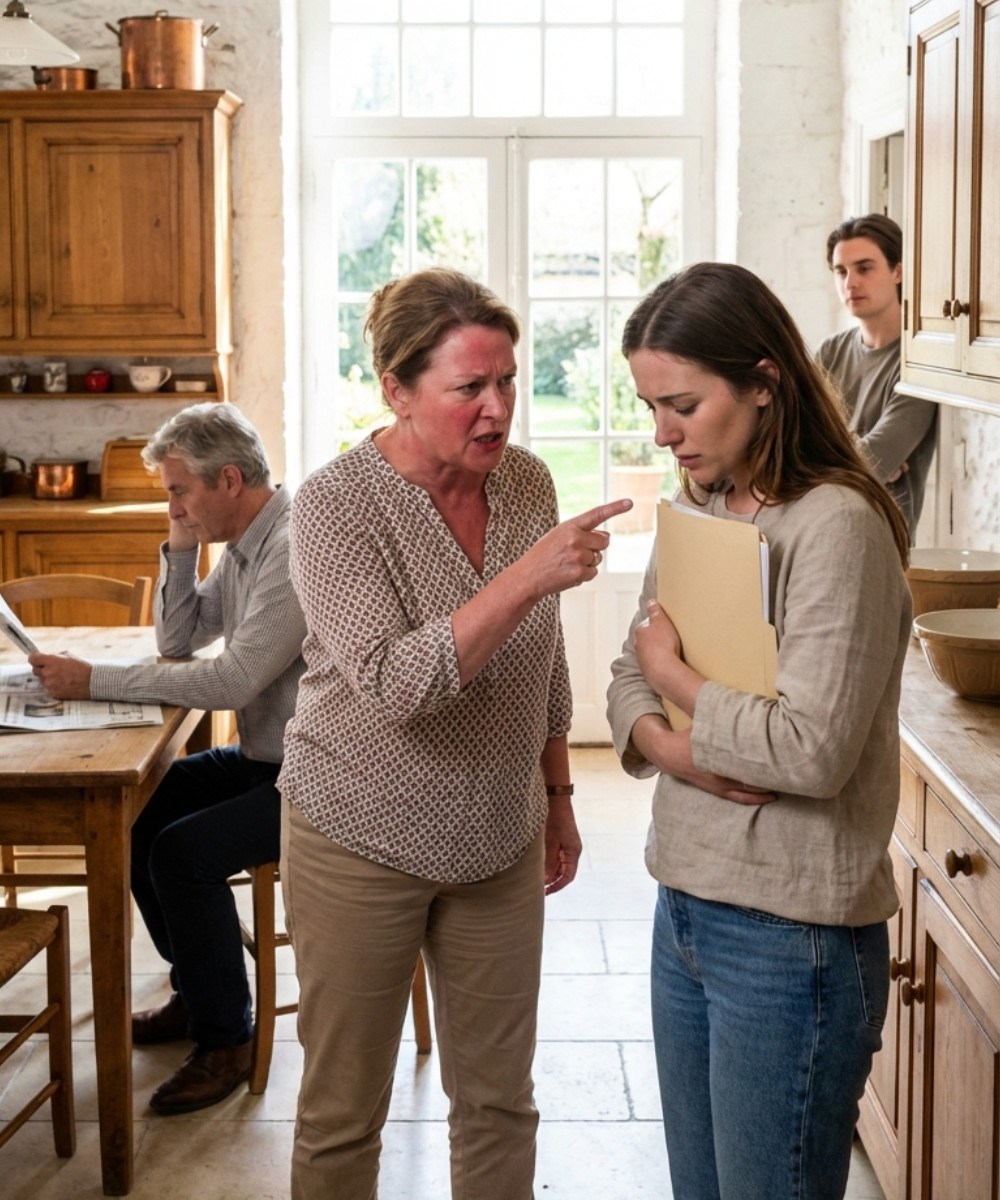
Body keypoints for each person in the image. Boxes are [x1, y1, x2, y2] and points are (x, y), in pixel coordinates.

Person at [278, 267, 631, 1200]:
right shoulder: (335, 505)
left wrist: (557, 795)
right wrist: (524, 578)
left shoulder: (524, 482)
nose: (497, 409)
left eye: (506, 381)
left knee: (501, 1105)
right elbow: (399, 685)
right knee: (344, 1113)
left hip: (500, 835)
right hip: (357, 834)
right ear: (396, 390)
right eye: (468, 387)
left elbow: (539, 657)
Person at [606, 262, 911, 1200]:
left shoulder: (837, 527)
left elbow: (811, 751)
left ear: (765, 381)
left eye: (683, 405)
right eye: (652, 406)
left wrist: (678, 682)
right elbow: (624, 678)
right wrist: (673, 743)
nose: (663, 433)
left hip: (794, 940)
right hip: (685, 905)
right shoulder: (698, 508)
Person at [30, 403, 306, 1116]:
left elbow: (231, 680)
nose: (171, 502)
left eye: (179, 490)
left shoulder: (291, 548)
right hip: (265, 755)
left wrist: (94, 679)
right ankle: (199, 989)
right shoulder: (246, 541)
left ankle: (227, 1039)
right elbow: (180, 640)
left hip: (319, 774)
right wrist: (181, 542)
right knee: (137, 813)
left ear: (231, 480)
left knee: (183, 852)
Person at [818, 213, 936, 539]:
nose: (850, 282)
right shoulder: (829, 353)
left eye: (864, 268)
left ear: (897, 271)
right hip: (820, 527)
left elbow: (878, 460)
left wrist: (870, 460)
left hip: (881, 538)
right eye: (841, 271)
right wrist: (858, 455)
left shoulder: (920, 360)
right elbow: (792, 438)